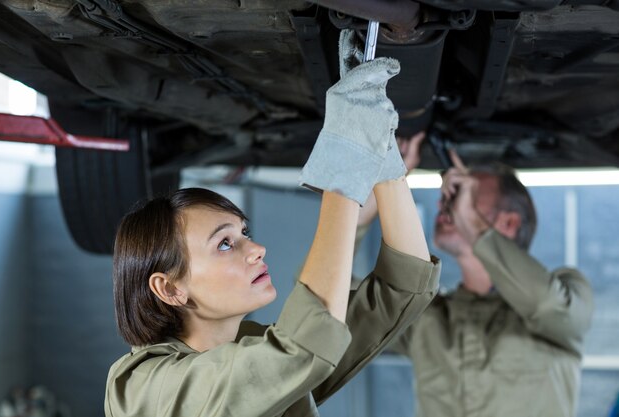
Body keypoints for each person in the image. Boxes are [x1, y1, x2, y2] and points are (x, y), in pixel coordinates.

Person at [104, 29, 440, 417]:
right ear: (170, 288)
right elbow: (304, 346)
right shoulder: (145, 390)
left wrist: (381, 149)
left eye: (243, 233)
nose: (257, 248)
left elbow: (402, 289)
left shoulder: (255, 349)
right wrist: (346, 157)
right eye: (225, 243)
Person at [357, 133, 594, 417]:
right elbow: (326, 306)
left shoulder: (567, 293)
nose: (447, 203)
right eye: (451, 193)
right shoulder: (425, 318)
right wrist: (384, 185)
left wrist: (470, 221)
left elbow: (547, 305)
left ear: (509, 222)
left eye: (466, 194)